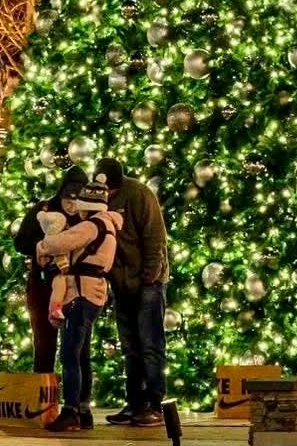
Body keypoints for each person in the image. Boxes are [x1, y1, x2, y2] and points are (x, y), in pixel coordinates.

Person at [38, 173, 123, 434]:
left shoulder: (91, 226)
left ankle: (71, 411)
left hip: (81, 293)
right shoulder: (108, 224)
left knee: (70, 354)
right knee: (79, 352)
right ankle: (83, 411)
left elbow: (60, 242)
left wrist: (43, 245)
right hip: (93, 292)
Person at [99, 158, 168, 428]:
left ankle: (154, 403)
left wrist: (148, 277)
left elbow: (154, 238)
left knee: (150, 344)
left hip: (148, 282)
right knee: (130, 347)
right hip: (121, 284)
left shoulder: (139, 195)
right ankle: (135, 402)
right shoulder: (98, 198)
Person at [12, 166, 88, 375]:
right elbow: (20, 243)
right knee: (44, 342)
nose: (72, 206)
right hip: (42, 283)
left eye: (77, 201)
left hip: (75, 288)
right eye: (68, 199)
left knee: (78, 346)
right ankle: (43, 397)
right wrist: (41, 245)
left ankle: (77, 402)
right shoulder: (42, 211)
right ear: (61, 193)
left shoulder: (87, 218)